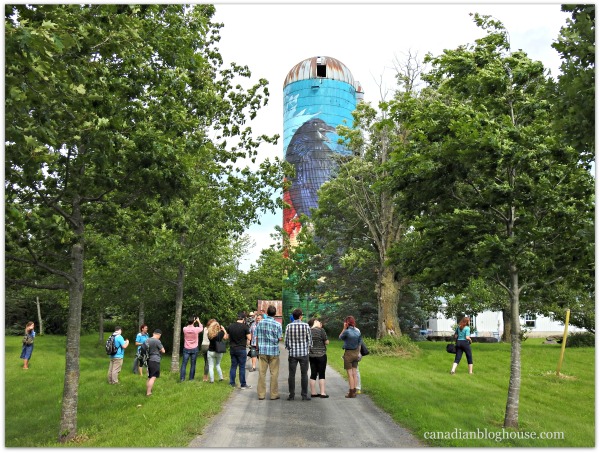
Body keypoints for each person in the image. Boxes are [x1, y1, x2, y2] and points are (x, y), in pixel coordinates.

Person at [255, 305, 283, 400]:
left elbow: (257, 336)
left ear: (267, 313)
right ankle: (273, 394)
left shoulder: (260, 323)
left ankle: (261, 394)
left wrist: (257, 348)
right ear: (275, 314)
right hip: (274, 351)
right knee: (274, 373)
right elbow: (280, 338)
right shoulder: (278, 324)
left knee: (262, 373)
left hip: (262, 350)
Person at [284, 308, 312, 401]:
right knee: (304, 374)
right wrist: (308, 348)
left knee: (291, 374)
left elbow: (286, 340)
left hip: (293, 354)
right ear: (300, 316)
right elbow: (309, 340)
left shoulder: (288, 326)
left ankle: (291, 395)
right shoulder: (306, 325)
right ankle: (304, 395)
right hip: (304, 353)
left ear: (293, 316)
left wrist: (289, 348)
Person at [228, 312, 252, 389]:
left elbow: (226, 337)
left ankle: (232, 382)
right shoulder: (244, 327)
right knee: (242, 367)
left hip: (232, 348)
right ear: (243, 319)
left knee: (233, 366)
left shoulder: (230, 326)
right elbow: (249, 338)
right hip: (241, 348)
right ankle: (243, 384)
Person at [339, 315, 361, 398]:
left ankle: (351, 392)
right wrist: (358, 353)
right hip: (356, 353)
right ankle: (354, 391)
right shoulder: (357, 332)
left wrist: (344, 328)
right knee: (354, 373)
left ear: (347, 323)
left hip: (348, 353)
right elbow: (359, 344)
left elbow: (340, 337)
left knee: (350, 374)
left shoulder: (347, 331)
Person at [308, 318, 329, 398]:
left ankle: (313, 392)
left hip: (312, 355)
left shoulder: (309, 330)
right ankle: (322, 393)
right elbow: (326, 341)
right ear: (315, 323)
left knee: (313, 373)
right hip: (321, 355)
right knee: (321, 374)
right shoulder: (321, 330)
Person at [180, 316, 204, 382]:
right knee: (193, 364)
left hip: (186, 348)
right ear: (193, 322)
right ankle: (191, 378)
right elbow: (201, 328)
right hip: (194, 348)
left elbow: (188, 326)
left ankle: (182, 378)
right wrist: (198, 321)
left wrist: (193, 321)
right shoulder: (196, 329)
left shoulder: (184, 329)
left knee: (184, 364)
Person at [146, 329, 166, 396]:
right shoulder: (157, 341)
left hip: (148, 359)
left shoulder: (147, 340)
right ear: (158, 334)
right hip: (155, 360)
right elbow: (163, 351)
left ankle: (148, 390)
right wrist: (159, 350)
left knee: (149, 377)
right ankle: (148, 393)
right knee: (153, 377)